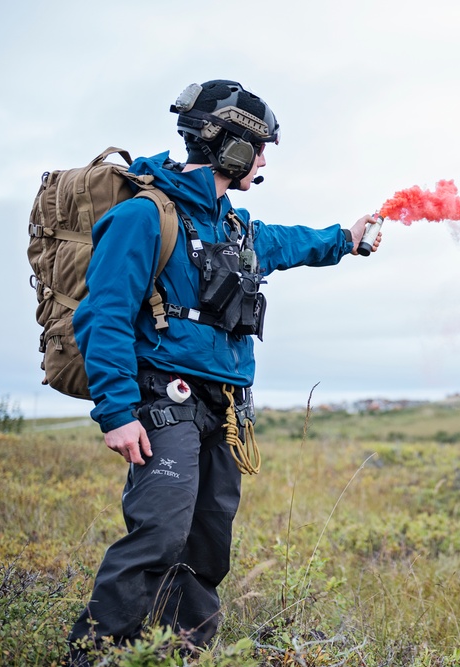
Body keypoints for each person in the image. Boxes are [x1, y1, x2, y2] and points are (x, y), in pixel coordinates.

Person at [66, 79, 381, 664]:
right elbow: (102, 317)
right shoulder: (143, 217)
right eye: (257, 148)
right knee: (159, 534)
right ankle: (99, 655)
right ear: (227, 145)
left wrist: (346, 239)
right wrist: (115, 413)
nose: (263, 161)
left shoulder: (234, 227)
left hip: (227, 409)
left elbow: (290, 243)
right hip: (164, 401)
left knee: (208, 547)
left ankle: (186, 654)